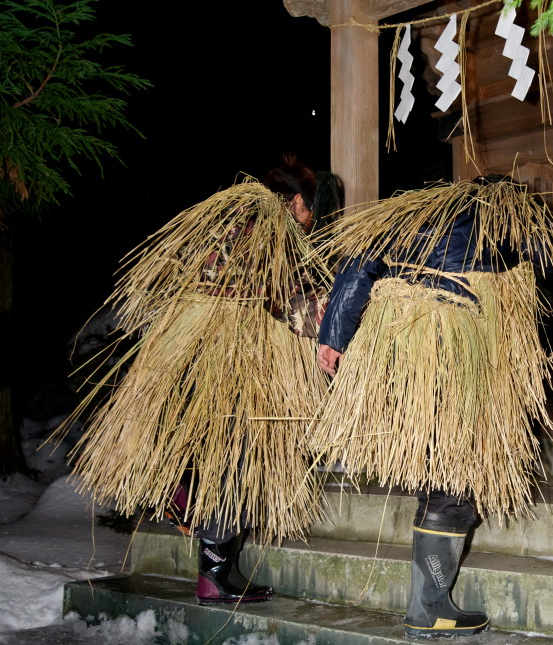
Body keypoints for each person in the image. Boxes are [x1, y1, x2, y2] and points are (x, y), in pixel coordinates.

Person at [311, 175, 553, 638]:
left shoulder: (412, 214)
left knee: (437, 472)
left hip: (404, 355)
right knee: (454, 477)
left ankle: (429, 605)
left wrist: (333, 338)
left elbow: (358, 270)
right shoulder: (503, 210)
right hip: (456, 350)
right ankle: (430, 611)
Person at [54, 154, 340, 605]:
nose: (310, 221)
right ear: (297, 201)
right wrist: (334, 321)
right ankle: (213, 572)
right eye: (310, 212)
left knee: (220, 457)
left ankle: (195, 516)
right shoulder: (274, 237)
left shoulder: (223, 227)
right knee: (240, 463)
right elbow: (290, 304)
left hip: (193, 356)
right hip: (240, 367)